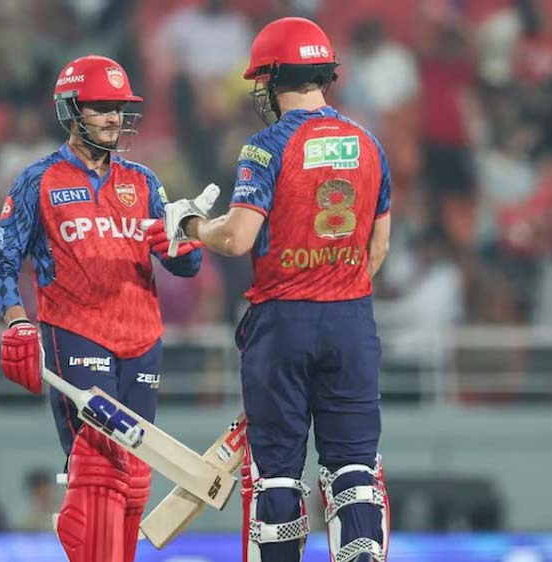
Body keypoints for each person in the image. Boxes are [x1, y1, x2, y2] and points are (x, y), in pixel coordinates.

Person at [159, 17, 392, 562]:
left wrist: (190, 225)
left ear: (274, 79)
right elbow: (378, 248)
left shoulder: (266, 147)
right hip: (351, 318)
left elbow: (237, 238)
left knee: (278, 474)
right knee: (355, 469)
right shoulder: (368, 143)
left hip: (282, 322)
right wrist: (336, 285)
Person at [0, 55, 203, 562]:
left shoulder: (143, 181)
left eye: (119, 108)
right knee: (98, 467)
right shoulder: (38, 180)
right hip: (76, 333)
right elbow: (0, 262)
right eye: (101, 107)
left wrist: (182, 248)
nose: (113, 118)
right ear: (71, 110)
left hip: (142, 341)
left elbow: (186, 265)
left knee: (132, 473)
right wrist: (17, 320)